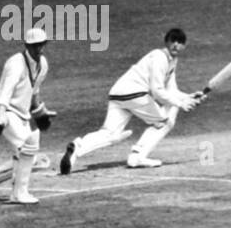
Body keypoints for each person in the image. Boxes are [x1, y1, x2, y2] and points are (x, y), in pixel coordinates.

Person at [60, 28, 202, 175]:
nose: (176, 45)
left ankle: (77, 147)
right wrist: (181, 104)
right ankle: (138, 156)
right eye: (173, 41)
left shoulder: (172, 61)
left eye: (180, 43)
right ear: (167, 42)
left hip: (119, 94)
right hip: (134, 93)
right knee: (164, 122)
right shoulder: (160, 57)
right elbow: (157, 91)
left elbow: (171, 90)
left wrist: (188, 97)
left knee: (111, 134)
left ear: (184, 46)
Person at [0, 28, 55, 205]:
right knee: (30, 151)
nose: (39, 49)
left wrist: (40, 113)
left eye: (41, 45)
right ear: (27, 46)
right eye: (35, 46)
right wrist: (0, 118)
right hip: (3, 110)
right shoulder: (15, 64)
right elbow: (5, 93)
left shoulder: (43, 64)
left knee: (34, 157)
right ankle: (18, 193)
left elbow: (34, 92)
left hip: (21, 114)